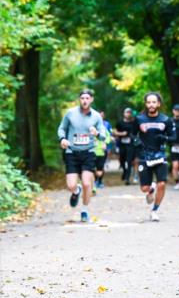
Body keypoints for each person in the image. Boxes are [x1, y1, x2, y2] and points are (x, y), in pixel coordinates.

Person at [58, 89, 104, 223]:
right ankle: (76, 191)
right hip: (71, 152)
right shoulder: (70, 113)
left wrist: (96, 133)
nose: (85, 100)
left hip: (88, 152)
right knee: (71, 185)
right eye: (82, 98)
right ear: (79, 99)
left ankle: (84, 210)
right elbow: (62, 128)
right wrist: (62, 139)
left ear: (91, 100)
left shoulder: (96, 116)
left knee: (86, 183)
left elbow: (103, 134)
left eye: (87, 98)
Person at [135, 92, 176, 222]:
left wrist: (164, 138)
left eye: (154, 102)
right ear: (146, 104)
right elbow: (131, 134)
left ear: (158, 104)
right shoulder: (139, 119)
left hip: (160, 155)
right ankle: (151, 189)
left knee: (162, 184)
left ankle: (155, 210)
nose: (151, 105)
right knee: (144, 188)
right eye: (148, 102)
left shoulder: (166, 120)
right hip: (144, 156)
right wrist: (136, 142)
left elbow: (174, 138)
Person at [114, 107, 137, 184]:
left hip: (130, 145)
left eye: (129, 113)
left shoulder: (133, 123)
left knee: (129, 161)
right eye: (126, 112)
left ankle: (127, 179)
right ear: (124, 114)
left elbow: (136, 132)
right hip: (122, 144)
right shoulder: (120, 122)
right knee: (122, 160)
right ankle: (125, 171)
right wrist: (122, 134)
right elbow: (115, 132)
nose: (128, 114)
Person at [93, 111, 113, 190]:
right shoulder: (90, 126)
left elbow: (108, 136)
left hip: (101, 151)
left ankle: (99, 181)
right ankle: (94, 183)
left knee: (99, 170)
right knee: (91, 168)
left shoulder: (104, 127)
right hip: (91, 151)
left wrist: (105, 142)